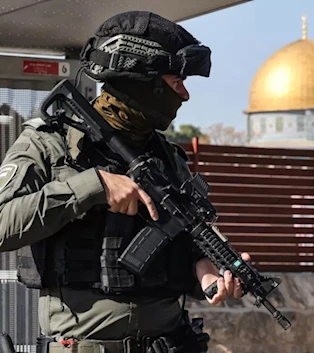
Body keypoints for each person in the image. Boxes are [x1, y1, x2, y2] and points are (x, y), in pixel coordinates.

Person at [0, 10, 249, 353]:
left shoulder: (168, 158)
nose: (186, 96)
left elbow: (183, 242)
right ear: (142, 80)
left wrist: (205, 272)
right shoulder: (50, 141)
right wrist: (92, 186)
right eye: (177, 82)